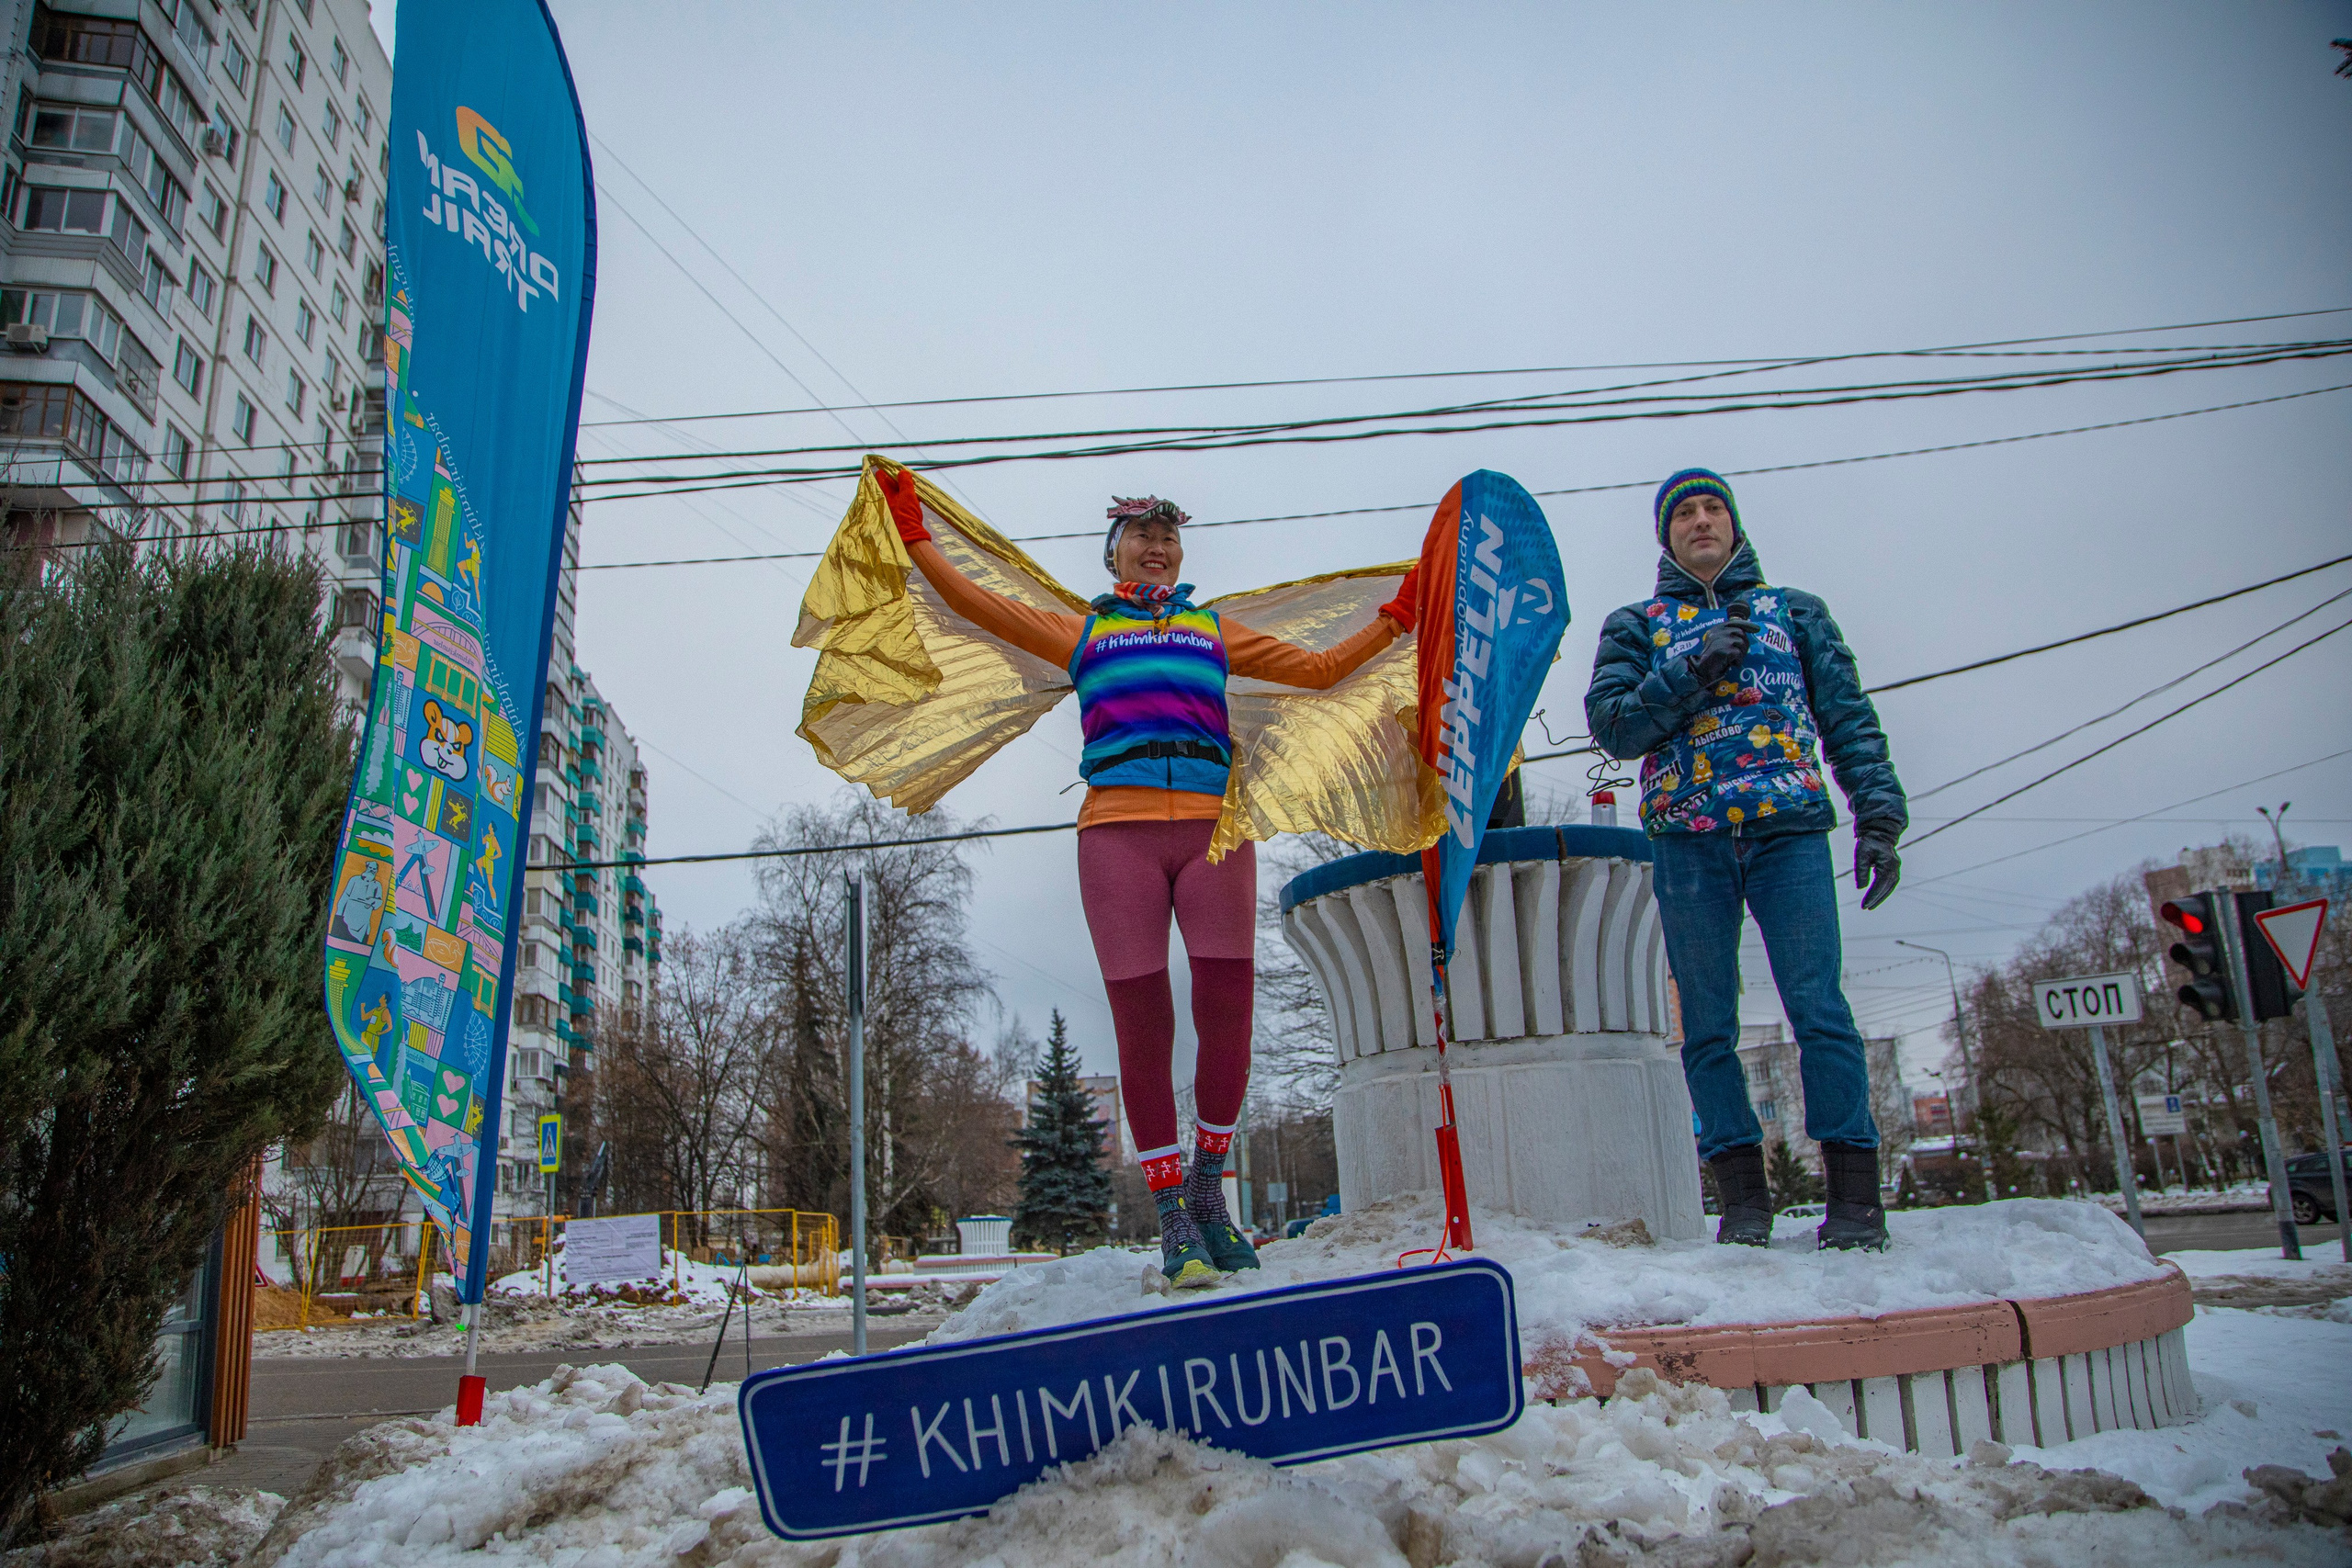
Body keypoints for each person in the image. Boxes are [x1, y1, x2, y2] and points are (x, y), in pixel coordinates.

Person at [875, 468, 1419, 1285]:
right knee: (1144, 1021)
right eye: (1142, 536)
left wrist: (1399, 617)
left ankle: (1210, 1189)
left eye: (1169, 536)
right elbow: (972, 605)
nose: (1158, 546)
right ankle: (1171, 1215)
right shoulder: (1083, 634)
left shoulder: (1214, 629)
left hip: (1215, 831)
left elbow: (1320, 670)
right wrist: (916, 537)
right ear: (1116, 555)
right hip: (1116, 837)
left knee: (1228, 1008)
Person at [1584, 469, 1907, 1251]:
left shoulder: (1794, 613)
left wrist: (1879, 815)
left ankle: (1856, 1200)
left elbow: (1848, 717)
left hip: (1787, 829)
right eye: (1685, 513)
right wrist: (1690, 670)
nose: (1701, 521)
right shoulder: (1637, 624)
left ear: (1734, 523)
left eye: (1713, 508)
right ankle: (1744, 1201)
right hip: (1688, 840)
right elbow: (1614, 727)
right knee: (1707, 1025)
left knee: (1818, 1007)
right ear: (1666, 536)